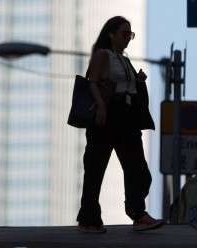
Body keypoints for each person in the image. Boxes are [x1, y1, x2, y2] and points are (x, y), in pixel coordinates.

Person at [76, 15, 165, 234]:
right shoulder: (102, 55)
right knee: (95, 167)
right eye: (125, 33)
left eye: (130, 34)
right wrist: (101, 106)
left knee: (139, 169)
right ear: (111, 34)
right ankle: (89, 219)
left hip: (127, 116)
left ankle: (138, 213)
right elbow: (92, 82)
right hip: (107, 114)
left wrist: (140, 81)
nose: (128, 38)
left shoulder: (124, 59)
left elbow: (130, 89)